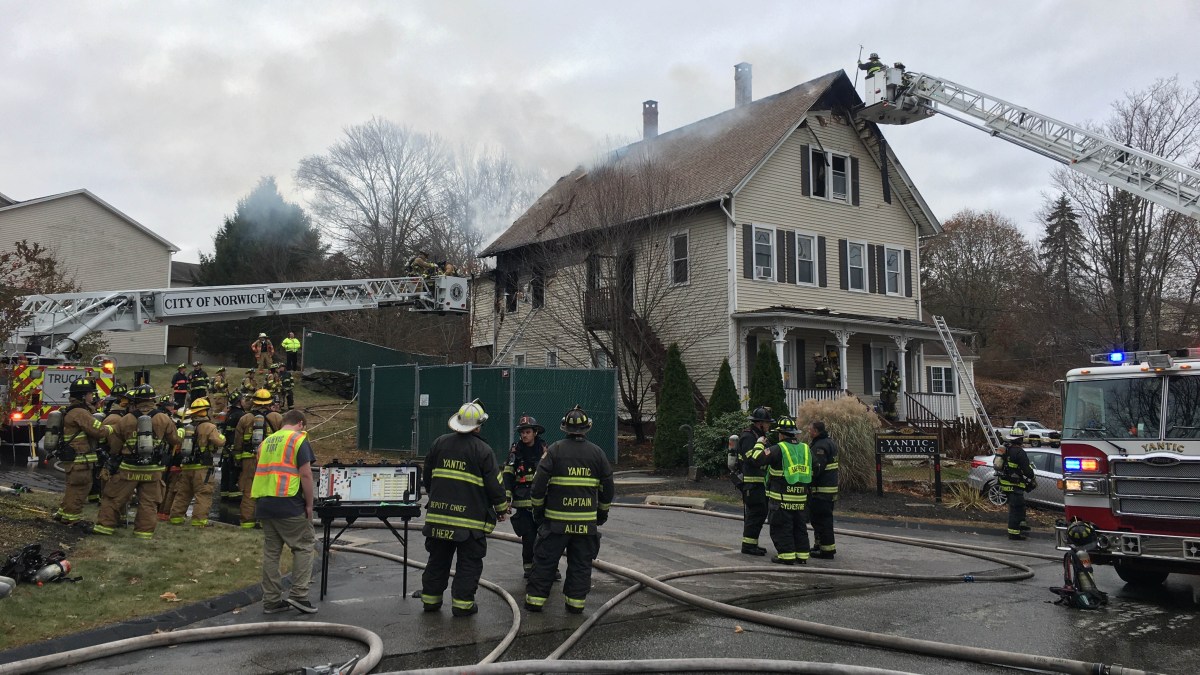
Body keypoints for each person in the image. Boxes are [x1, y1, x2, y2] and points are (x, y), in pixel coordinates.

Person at [420, 399, 508, 617]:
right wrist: (502, 509)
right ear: (478, 426)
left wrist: (436, 497)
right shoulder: (483, 450)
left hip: (438, 518)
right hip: (470, 524)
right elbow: (495, 485)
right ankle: (462, 605)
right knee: (468, 564)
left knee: (437, 561)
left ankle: (430, 601)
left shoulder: (439, 443)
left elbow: (427, 477)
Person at [525, 405, 614, 615]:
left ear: (564, 428)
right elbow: (607, 489)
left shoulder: (554, 451)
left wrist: (538, 512)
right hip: (585, 525)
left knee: (545, 563)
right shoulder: (598, 453)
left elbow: (538, 486)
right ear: (587, 428)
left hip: (555, 524)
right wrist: (601, 514)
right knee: (581, 565)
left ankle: (535, 602)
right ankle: (575, 605)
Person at [93, 385, 180, 539]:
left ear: (136, 401)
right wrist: (180, 431)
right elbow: (174, 440)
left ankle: (104, 527)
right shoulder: (163, 418)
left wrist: (113, 459)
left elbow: (117, 444)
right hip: (153, 470)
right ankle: (143, 533)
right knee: (149, 503)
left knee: (113, 498)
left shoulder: (126, 419)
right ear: (153, 400)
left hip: (128, 468)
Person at [253, 409, 318, 614]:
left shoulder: (266, 442)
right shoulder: (298, 440)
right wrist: (309, 504)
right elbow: (306, 475)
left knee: (272, 553)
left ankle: (271, 601)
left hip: (264, 503)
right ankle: (299, 595)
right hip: (289, 502)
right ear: (300, 423)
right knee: (305, 546)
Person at [748, 416, 812, 565]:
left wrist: (758, 445)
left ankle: (786, 556)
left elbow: (756, 459)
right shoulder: (805, 448)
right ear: (795, 433)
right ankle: (802, 555)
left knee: (781, 527)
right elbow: (815, 466)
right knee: (799, 527)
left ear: (781, 434)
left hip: (781, 499)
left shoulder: (778, 448)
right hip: (801, 499)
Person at [51, 378, 115, 524]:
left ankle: (64, 513)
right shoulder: (80, 412)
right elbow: (98, 431)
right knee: (80, 489)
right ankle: (71, 518)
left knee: (72, 488)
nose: (92, 397)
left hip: (75, 460)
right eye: (90, 394)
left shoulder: (73, 411)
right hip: (80, 460)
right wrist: (113, 428)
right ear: (82, 396)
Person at [503, 415, 548, 578]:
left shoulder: (544, 450)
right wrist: (507, 499)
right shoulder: (516, 451)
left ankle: (550, 568)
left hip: (542, 503)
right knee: (528, 538)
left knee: (546, 538)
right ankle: (528, 567)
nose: (524, 435)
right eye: (522, 432)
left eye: (528, 432)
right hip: (523, 502)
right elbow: (508, 475)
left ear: (535, 432)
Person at [169, 398, 225, 527]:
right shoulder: (209, 427)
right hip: (202, 468)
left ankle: (176, 519)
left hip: (187, 466)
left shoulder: (187, 427)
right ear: (205, 411)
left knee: (183, 493)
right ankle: (199, 521)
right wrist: (222, 435)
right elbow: (220, 442)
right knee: (203, 494)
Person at [235, 389, 284, 529]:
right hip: (269, 461)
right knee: (269, 490)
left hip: (249, 459)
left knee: (249, 491)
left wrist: (238, 459)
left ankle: (247, 523)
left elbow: (238, 441)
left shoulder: (245, 418)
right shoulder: (277, 418)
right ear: (270, 402)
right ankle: (266, 522)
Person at [734, 407, 773, 556]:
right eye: (767, 423)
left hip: (760, 483)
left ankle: (752, 543)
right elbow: (752, 459)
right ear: (760, 423)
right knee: (756, 513)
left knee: (759, 512)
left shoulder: (760, 436)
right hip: (751, 482)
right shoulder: (748, 436)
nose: (769, 426)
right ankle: (748, 546)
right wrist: (761, 445)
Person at [995, 428, 1036, 540]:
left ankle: (1021, 525)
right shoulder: (1020, 452)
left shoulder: (1006, 449)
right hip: (1015, 485)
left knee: (1020, 506)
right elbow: (1027, 471)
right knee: (1015, 509)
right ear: (1020, 439)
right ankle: (1014, 534)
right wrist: (1032, 477)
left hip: (1005, 483)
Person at [807, 420, 839, 559]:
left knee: (822, 521)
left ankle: (826, 551)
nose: (808, 431)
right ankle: (819, 545)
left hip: (822, 491)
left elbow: (816, 468)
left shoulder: (820, 446)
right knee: (818, 519)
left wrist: (807, 482)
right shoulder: (829, 442)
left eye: (810, 429)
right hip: (828, 490)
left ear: (816, 431)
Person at [219, 394, 248, 500]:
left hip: (226, 449)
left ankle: (225, 496)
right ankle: (234, 498)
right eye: (243, 399)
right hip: (235, 449)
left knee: (226, 473)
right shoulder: (241, 415)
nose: (245, 401)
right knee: (234, 474)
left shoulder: (229, 414)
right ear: (239, 402)